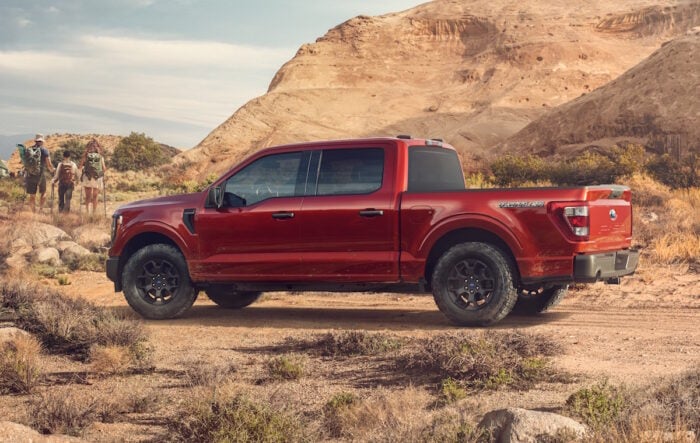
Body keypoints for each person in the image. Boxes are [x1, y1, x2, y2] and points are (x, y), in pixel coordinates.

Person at [21, 134, 55, 212]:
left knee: (32, 195)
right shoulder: (44, 150)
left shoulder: (29, 149)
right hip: (40, 175)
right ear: (42, 141)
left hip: (30, 175)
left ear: (35, 141)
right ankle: (40, 210)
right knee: (43, 192)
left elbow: (25, 162)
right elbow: (48, 163)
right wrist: (52, 170)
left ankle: (33, 211)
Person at [79, 138, 107, 215]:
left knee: (88, 196)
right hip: (97, 178)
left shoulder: (86, 156)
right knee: (95, 196)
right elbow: (104, 169)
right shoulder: (100, 157)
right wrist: (100, 174)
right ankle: (94, 213)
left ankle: (87, 212)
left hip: (87, 177)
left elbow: (80, 166)